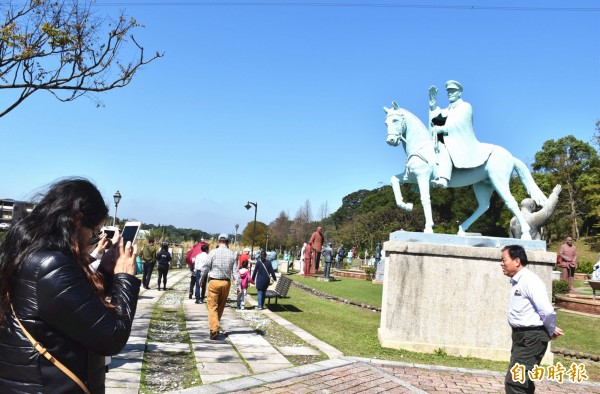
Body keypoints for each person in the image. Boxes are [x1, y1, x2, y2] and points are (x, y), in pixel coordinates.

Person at [0, 178, 140, 393]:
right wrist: (125, 277)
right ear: (76, 219)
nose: (92, 239)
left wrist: (106, 273)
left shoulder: (29, 252)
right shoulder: (51, 265)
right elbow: (112, 337)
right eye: (94, 231)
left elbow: (74, 305)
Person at [500, 245, 563, 394]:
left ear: (516, 261)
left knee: (515, 383)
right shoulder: (519, 281)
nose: (501, 264)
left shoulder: (529, 280)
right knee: (523, 382)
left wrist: (550, 328)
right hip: (522, 337)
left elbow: (547, 310)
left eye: (504, 260)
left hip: (530, 338)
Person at [428, 80, 493, 188]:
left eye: (453, 91)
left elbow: (460, 124)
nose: (450, 93)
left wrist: (442, 129)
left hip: (461, 141)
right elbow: (436, 116)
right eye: (448, 91)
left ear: (459, 93)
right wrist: (433, 101)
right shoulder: (448, 109)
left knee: (445, 148)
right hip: (450, 139)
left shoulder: (465, 106)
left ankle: (443, 178)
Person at [201, 233, 240, 340]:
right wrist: (238, 286)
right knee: (221, 306)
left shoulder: (212, 253)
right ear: (228, 243)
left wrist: (201, 279)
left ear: (218, 242)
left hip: (214, 282)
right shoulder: (232, 254)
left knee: (212, 307)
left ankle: (214, 330)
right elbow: (236, 272)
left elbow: (205, 267)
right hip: (226, 283)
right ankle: (216, 326)